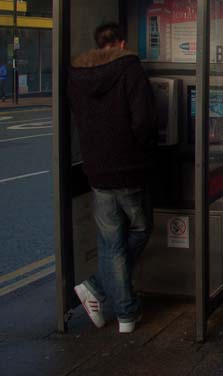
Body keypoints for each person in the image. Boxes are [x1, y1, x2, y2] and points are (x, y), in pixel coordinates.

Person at [68, 22, 156, 334]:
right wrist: (146, 148)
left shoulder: (77, 75)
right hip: (128, 167)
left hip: (96, 170)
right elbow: (144, 120)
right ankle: (107, 297)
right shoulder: (129, 69)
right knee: (141, 229)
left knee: (111, 242)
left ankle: (120, 310)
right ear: (121, 44)